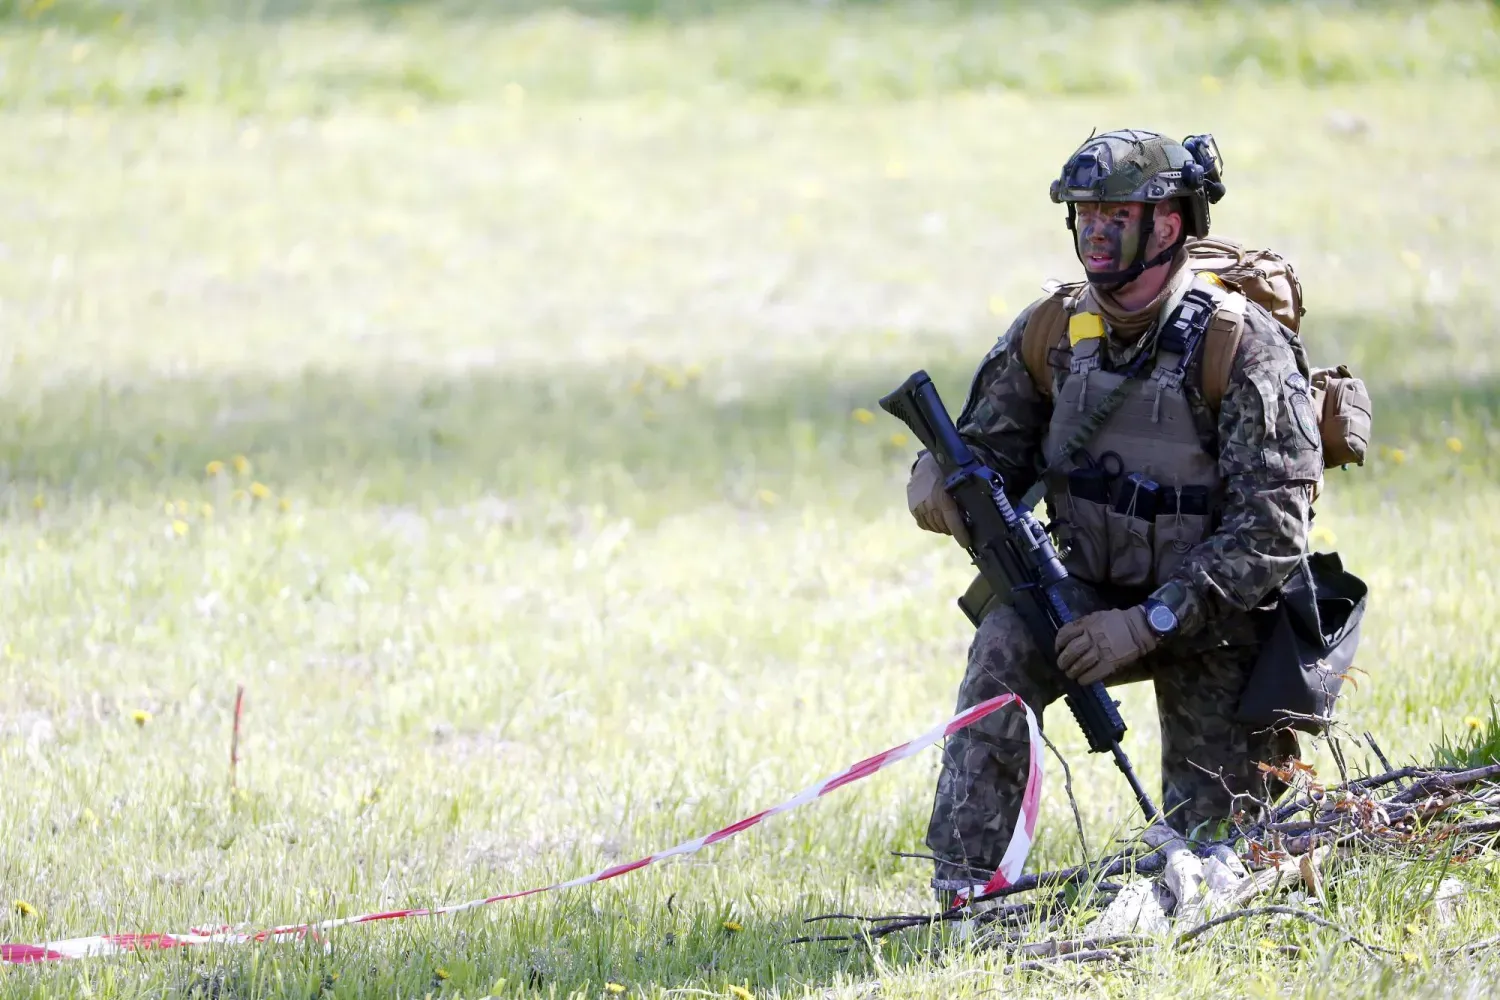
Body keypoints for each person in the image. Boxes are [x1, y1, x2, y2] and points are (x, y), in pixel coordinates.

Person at [906, 129, 1322, 900]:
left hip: (1218, 620)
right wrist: (937, 478)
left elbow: (1272, 531)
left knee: (1221, 856)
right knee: (1001, 648)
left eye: (1115, 214)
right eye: (1083, 213)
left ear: (1167, 225)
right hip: (1084, 592)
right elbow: (989, 453)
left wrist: (1150, 622)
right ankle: (963, 889)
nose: (1093, 230)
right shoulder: (1054, 331)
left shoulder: (1240, 346)